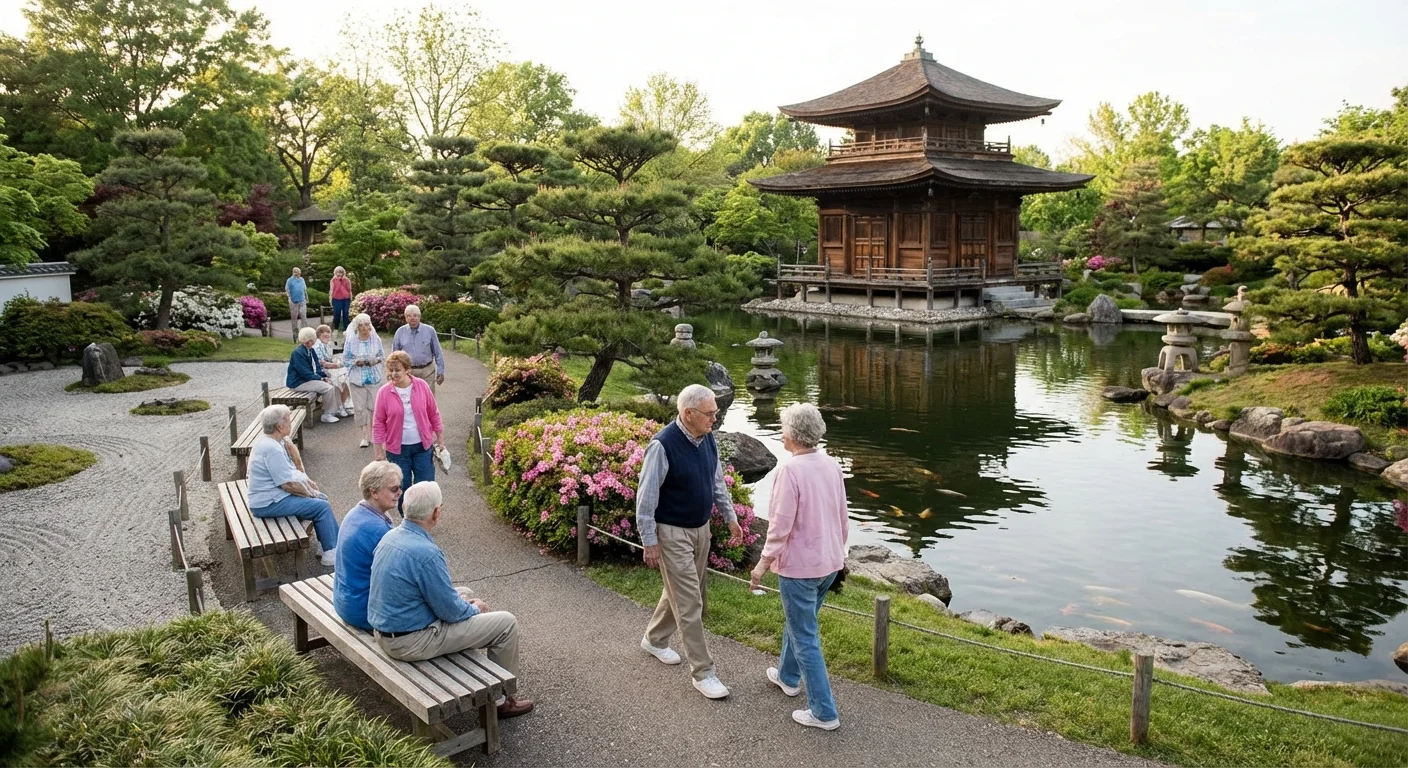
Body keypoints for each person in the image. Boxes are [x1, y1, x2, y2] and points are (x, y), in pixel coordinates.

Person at [368, 481, 534, 718]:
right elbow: (451, 613)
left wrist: (463, 600)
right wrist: (474, 608)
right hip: (411, 642)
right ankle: (500, 702)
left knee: (463, 590)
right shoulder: (427, 553)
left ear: (405, 507)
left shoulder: (390, 537)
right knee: (506, 623)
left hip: (385, 632)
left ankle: (490, 684)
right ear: (436, 512)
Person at [635, 383, 742, 700]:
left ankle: (654, 639)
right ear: (688, 413)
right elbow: (646, 499)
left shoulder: (707, 438)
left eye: (716, 412)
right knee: (691, 603)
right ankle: (703, 673)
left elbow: (716, 481)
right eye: (710, 413)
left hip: (701, 529)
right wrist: (650, 541)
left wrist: (731, 517)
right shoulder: (663, 446)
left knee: (683, 593)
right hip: (672, 533)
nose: (715, 417)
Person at [749, 402, 848, 731]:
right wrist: (841, 555)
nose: (781, 434)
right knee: (801, 623)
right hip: (828, 563)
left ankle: (824, 711)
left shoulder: (789, 472)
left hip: (800, 569)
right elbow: (841, 517)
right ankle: (788, 677)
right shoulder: (832, 466)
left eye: (784, 429)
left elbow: (779, 527)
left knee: (806, 636)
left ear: (792, 435)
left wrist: (762, 565)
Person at [247, 404, 339, 567]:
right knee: (321, 506)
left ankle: (328, 544)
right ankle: (331, 553)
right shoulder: (272, 448)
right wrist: (310, 493)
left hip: (270, 498)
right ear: (279, 426)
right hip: (267, 503)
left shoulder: (272, 441)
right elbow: (288, 484)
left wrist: (307, 484)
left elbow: (290, 471)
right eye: (288, 420)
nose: (291, 423)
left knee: (321, 499)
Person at [333, 461, 402, 630]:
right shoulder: (378, 530)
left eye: (400, 487)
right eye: (394, 489)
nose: (400, 493)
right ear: (374, 492)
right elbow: (399, 578)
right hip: (363, 611)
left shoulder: (356, 512)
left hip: (345, 601)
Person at [374, 350, 445, 508]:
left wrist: (440, 439)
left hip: (422, 446)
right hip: (397, 450)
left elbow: (433, 413)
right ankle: (406, 520)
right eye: (391, 370)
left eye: (398, 369)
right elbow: (378, 422)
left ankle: (424, 518)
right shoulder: (384, 392)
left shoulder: (421, 386)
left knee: (425, 485)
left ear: (407, 369)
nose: (394, 373)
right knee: (401, 487)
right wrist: (378, 451)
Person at [344, 313, 386, 449]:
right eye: (361, 325)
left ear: (370, 325)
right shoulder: (351, 339)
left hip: (374, 377)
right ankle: (364, 436)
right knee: (360, 408)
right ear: (357, 327)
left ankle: (374, 434)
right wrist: (357, 362)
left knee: (374, 407)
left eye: (366, 325)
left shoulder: (376, 339)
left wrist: (375, 360)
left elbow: (382, 356)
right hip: (357, 378)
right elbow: (346, 359)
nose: (364, 328)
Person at [288, 327, 345, 423]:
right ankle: (327, 414)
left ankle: (336, 409)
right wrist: (320, 379)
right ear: (307, 341)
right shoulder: (298, 353)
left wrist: (324, 376)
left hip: (307, 380)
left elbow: (317, 366)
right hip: (298, 382)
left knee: (334, 383)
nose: (313, 342)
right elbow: (305, 372)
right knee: (328, 388)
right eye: (311, 340)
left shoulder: (310, 350)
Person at [391, 304, 444, 396]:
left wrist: (440, 371)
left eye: (415, 315)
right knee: (409, 399)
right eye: (409, 316)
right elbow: (394, 356)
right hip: (408, 372)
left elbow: (438, 353)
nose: (412, 318)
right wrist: (393, 373)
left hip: (427, 372)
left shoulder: (430, 331)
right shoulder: (400, 332)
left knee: (427, 399)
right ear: (405, 318)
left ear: (419, 317)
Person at [314, 324, 351, 409]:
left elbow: (328, 359)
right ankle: (340, 405)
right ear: (319, 335)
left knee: (346, 376)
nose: (327, 337)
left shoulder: (324, 345)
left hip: (326, 369)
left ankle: (342, 404)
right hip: (321, 372)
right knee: (343, 380)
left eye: (328, 334)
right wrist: (338, 365)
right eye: (325, 335)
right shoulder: (318, 345)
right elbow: (323, 364)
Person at [329, 266, 352, 338]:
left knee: (346, 313)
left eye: (341, 272)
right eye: (338, 272)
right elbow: (331, 290)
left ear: (343, 273)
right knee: (337, 314)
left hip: (346, 299)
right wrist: (330, 299)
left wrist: (350, 298)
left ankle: (346, 329)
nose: (339, 274)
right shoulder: (333, 280)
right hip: (336, 299)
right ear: (335, 273)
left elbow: (349, 290)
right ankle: (335, 329)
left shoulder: (347, 280)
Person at [285, 267, 308, 337]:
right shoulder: (289, 280)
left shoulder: (302, 279)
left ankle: (305, 332)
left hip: (302, 300)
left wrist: (306, 298)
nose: (298, 275)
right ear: (293, 272)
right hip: (293, 301)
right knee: (294, 317)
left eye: (299, 274)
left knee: (303, 315)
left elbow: (304, 290)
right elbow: (287, 289)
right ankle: (295, 333)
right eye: (297, 273)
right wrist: (289, 297)